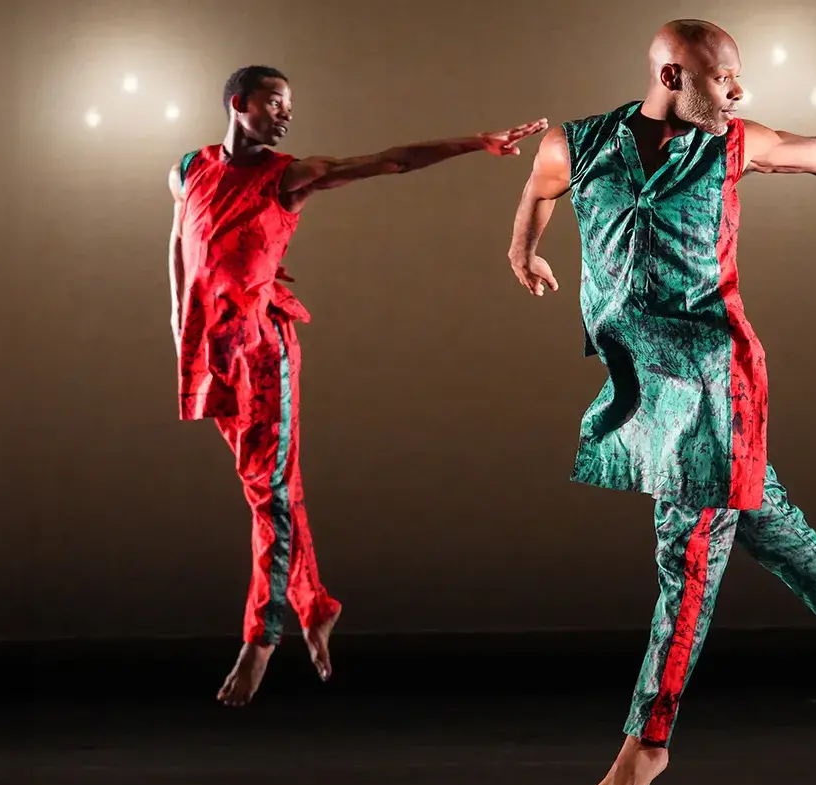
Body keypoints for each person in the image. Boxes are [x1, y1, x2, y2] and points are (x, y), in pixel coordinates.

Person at [505, 19, 816, 785]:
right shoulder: (575, 144)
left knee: (686, 548)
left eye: (736, 79)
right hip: (646, 382)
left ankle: (648, 735)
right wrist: (523, 251)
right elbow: (536, 192)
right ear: (669, 77)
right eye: (721, 80)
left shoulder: (733, 144)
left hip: (716, 376)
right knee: (759, 515)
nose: (738, 93)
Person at [169, 65, 546, 707]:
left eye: (291, 105)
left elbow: (390, 162)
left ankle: (262, 637)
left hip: (265, 348)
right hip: (215, 348)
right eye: (275, 103)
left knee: (271, 493)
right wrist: (179, 324)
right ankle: (315, 605)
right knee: (267, 489)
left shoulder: (289, 177)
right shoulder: (188, 168)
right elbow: (180, 245)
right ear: (239, 104)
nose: (286, 114)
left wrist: (475, 142)